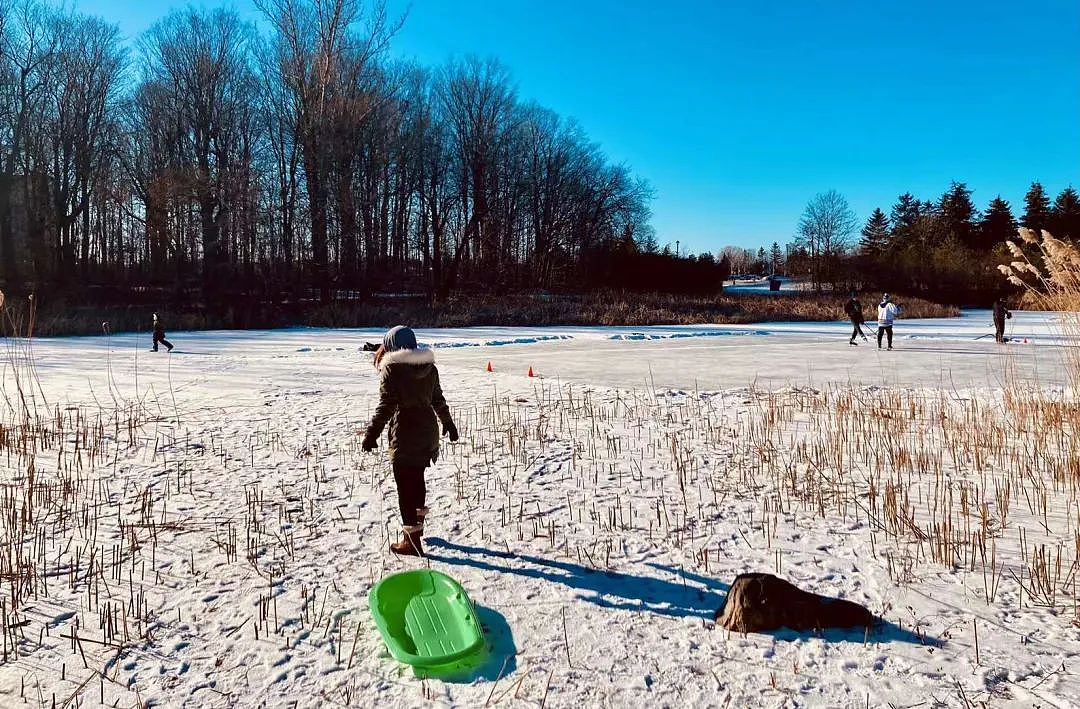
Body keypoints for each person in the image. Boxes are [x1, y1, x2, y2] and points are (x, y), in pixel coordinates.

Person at [362, 326, 458, 556]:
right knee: (417, 480)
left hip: (405, 434)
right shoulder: (428, 367)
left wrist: (371, 434)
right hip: (427, 433)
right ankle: (416, 532)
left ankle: (412, 542)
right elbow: (438, 399)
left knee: (406, 487)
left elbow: (386, 406)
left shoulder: (392, 370)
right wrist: (448, 423)